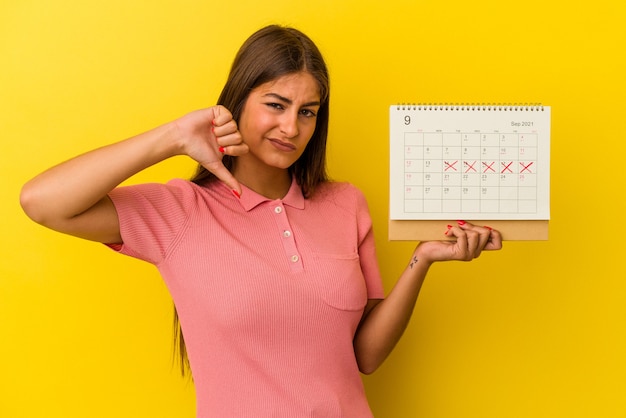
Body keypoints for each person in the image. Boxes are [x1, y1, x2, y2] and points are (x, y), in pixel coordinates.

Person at [20, 25, 502, 417]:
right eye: (276, 104)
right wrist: (172, 136)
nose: (292, 128)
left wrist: (423, 260)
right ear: (237, 101)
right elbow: (42, 201)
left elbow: (365, 358)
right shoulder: (181, 211)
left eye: (307, 112)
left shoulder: (345, 203)